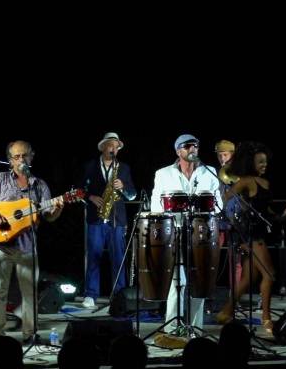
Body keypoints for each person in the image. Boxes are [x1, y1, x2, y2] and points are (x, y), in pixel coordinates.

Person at [0, 140, 63, 342]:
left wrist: (58, 208)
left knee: (29, 294)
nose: (21, 160)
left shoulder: (39, 185)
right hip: (0, 246)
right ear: (10, 160)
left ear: (32, 157)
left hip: (27, 247)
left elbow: (48, 216)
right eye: (17, 156)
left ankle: (29, 335)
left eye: (25, 155)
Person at [216, 142, 286, 333]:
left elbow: (266, 211)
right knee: (270, 274)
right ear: (251, 163)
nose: (264, 165)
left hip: (260, 233)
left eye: (265, 162)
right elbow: (226, 200)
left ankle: (225, 313)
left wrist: (283, 216)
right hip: (250, 235)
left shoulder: (265, 183)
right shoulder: (245, 181)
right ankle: (266, 319)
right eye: (260, 162)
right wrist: (241, 209)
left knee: (249, 277)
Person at [150, 134, 223, 332]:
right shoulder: (163, 173)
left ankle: (196, 328)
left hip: (201, 235)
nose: (193, 149)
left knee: (199, 282)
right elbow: (155, 204)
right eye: (188, 146)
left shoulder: (209, 172)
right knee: (177, 281)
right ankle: (172, 327)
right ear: (178, 151)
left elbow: (219, 205)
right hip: (174, 233)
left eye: (196, 146)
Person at [79, 132, 136, 309]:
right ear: (103, 147)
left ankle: (119, 295)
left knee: (118, 258)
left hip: (116, 219)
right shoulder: (89, 166)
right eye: (111, 145)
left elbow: (132, 195)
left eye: (117, 147)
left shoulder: (124, 168)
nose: (114, 149)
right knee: (94, 256)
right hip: (96, 218)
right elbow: (79, 190)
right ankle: (90, 294)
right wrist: (91, 197)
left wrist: (123, 187)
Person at [214, 139, 242, 292]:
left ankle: (235, 297)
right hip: (218, 219)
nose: (222, 159)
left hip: (235, 220)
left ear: (232, 155)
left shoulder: (240, 172)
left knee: (236, 261)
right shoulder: (214, 173)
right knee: (212, 258)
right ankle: (208, 296)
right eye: (219, 155)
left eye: (225, 155)